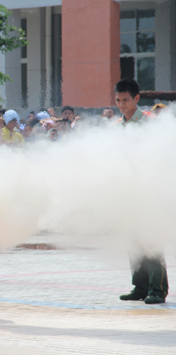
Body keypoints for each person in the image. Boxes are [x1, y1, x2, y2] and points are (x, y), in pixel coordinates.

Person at [114, 78, 168, 304]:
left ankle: (158, 289)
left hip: (149, 188)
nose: (121, 104)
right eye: (117, 100)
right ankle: (140, 285)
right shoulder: (117, 126)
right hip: (127, 190)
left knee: (150, 239)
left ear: (136, 98)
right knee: (133, 240)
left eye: (125, 100)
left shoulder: (150, 122)